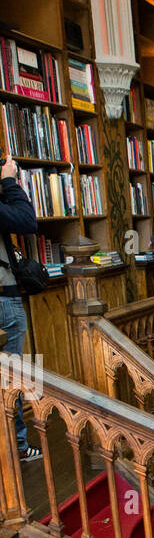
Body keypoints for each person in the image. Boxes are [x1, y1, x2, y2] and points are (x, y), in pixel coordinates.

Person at [0, 154, 41, 462]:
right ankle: (18, 446)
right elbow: (28, 222)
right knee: (14, 377)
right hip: (5, 299)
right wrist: (9, 182)